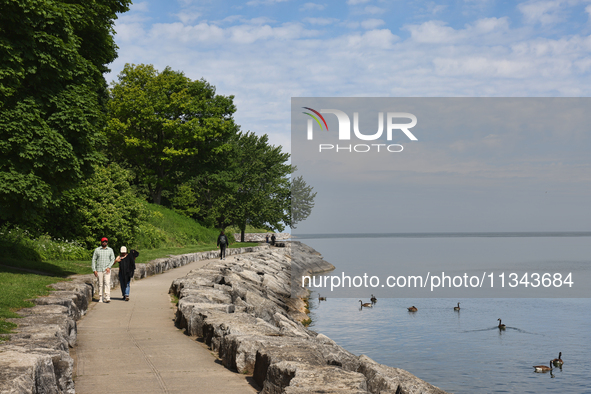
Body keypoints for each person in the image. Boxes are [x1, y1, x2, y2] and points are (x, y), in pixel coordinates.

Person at [92, 237, 115, 303]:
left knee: (107, 283)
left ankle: (107, 297)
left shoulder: (110, 250)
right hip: (99, 269)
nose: (104, 242)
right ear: (101, 242)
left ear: (107, 242)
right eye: (103, 241)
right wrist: (94, 269)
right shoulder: (97, 250)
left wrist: (109, 267)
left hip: (107, 269)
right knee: (100, 284)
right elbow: (94, 260)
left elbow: (112, 259)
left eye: (106, 241)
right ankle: (101, 297)